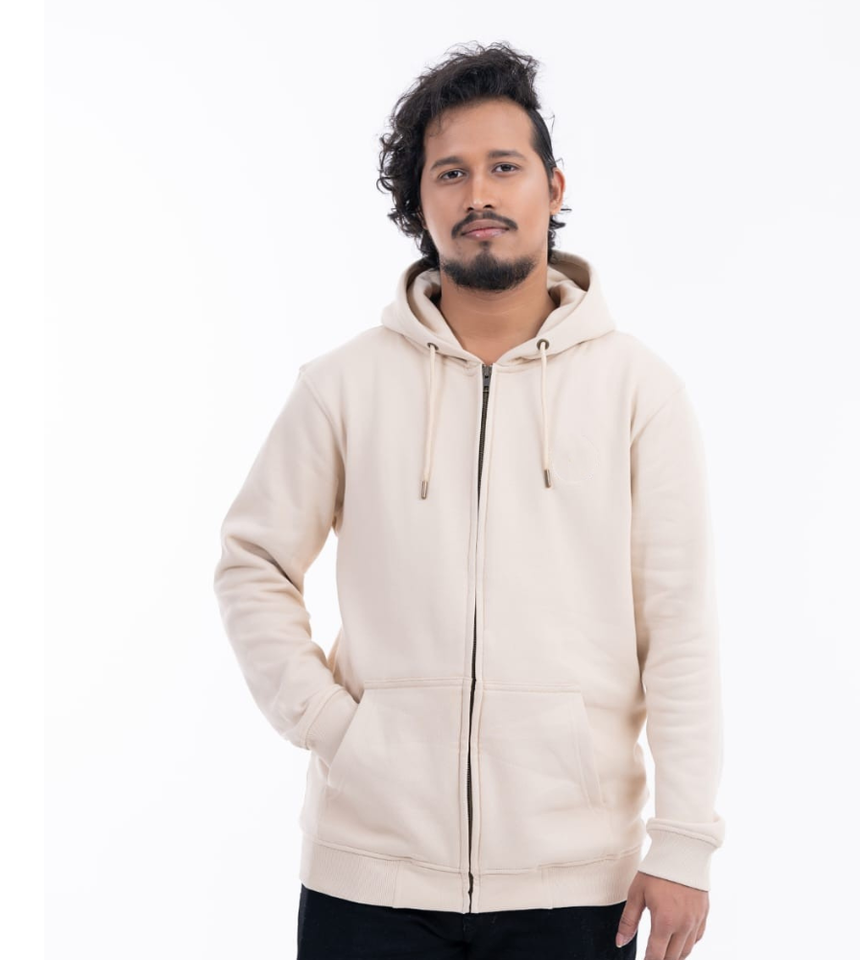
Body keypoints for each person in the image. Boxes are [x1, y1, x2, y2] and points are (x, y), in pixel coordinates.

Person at [213, 40, 726, 960]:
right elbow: (252, 563)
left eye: (504, 166)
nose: (478, 193)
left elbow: (679, 624)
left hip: (578, 885)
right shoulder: (343, 385)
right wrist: (337, 731)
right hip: (367, 878)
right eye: (449, 172)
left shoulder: (638, 392)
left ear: (553, 188)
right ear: (420, 203)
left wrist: (684, 842)